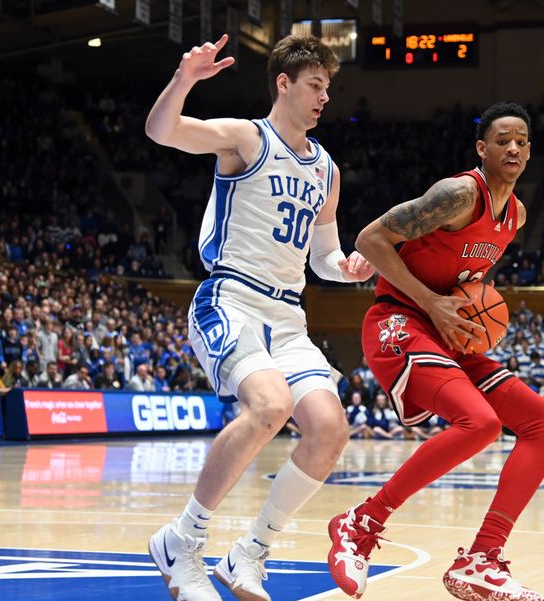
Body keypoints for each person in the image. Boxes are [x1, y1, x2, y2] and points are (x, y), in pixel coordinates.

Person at [145, 34, 374, 601]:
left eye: (329, 87)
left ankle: (249, 552)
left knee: (328, 430)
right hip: (231, 298)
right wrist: (185, 79)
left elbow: (323, 256)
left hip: (288, 316)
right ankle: (184, 541)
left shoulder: (327, 169)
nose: (324, 97)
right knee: (269, 407)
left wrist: (349, 268)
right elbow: (162, 131)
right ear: (284, 83)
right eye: (315, 85)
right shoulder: (248, 138)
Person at [327, 102, 544, 601]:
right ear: (483, 148)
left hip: (446, 329)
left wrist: (468, 315)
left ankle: (481, 559)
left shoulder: (515, 215)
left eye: (522, 140)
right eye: (503, 140)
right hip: (398, 319)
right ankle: (360, 524)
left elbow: (466, 278)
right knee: (480, 423)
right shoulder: (458, 195)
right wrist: (434, 304)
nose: (514, 148)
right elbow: (371, 239)